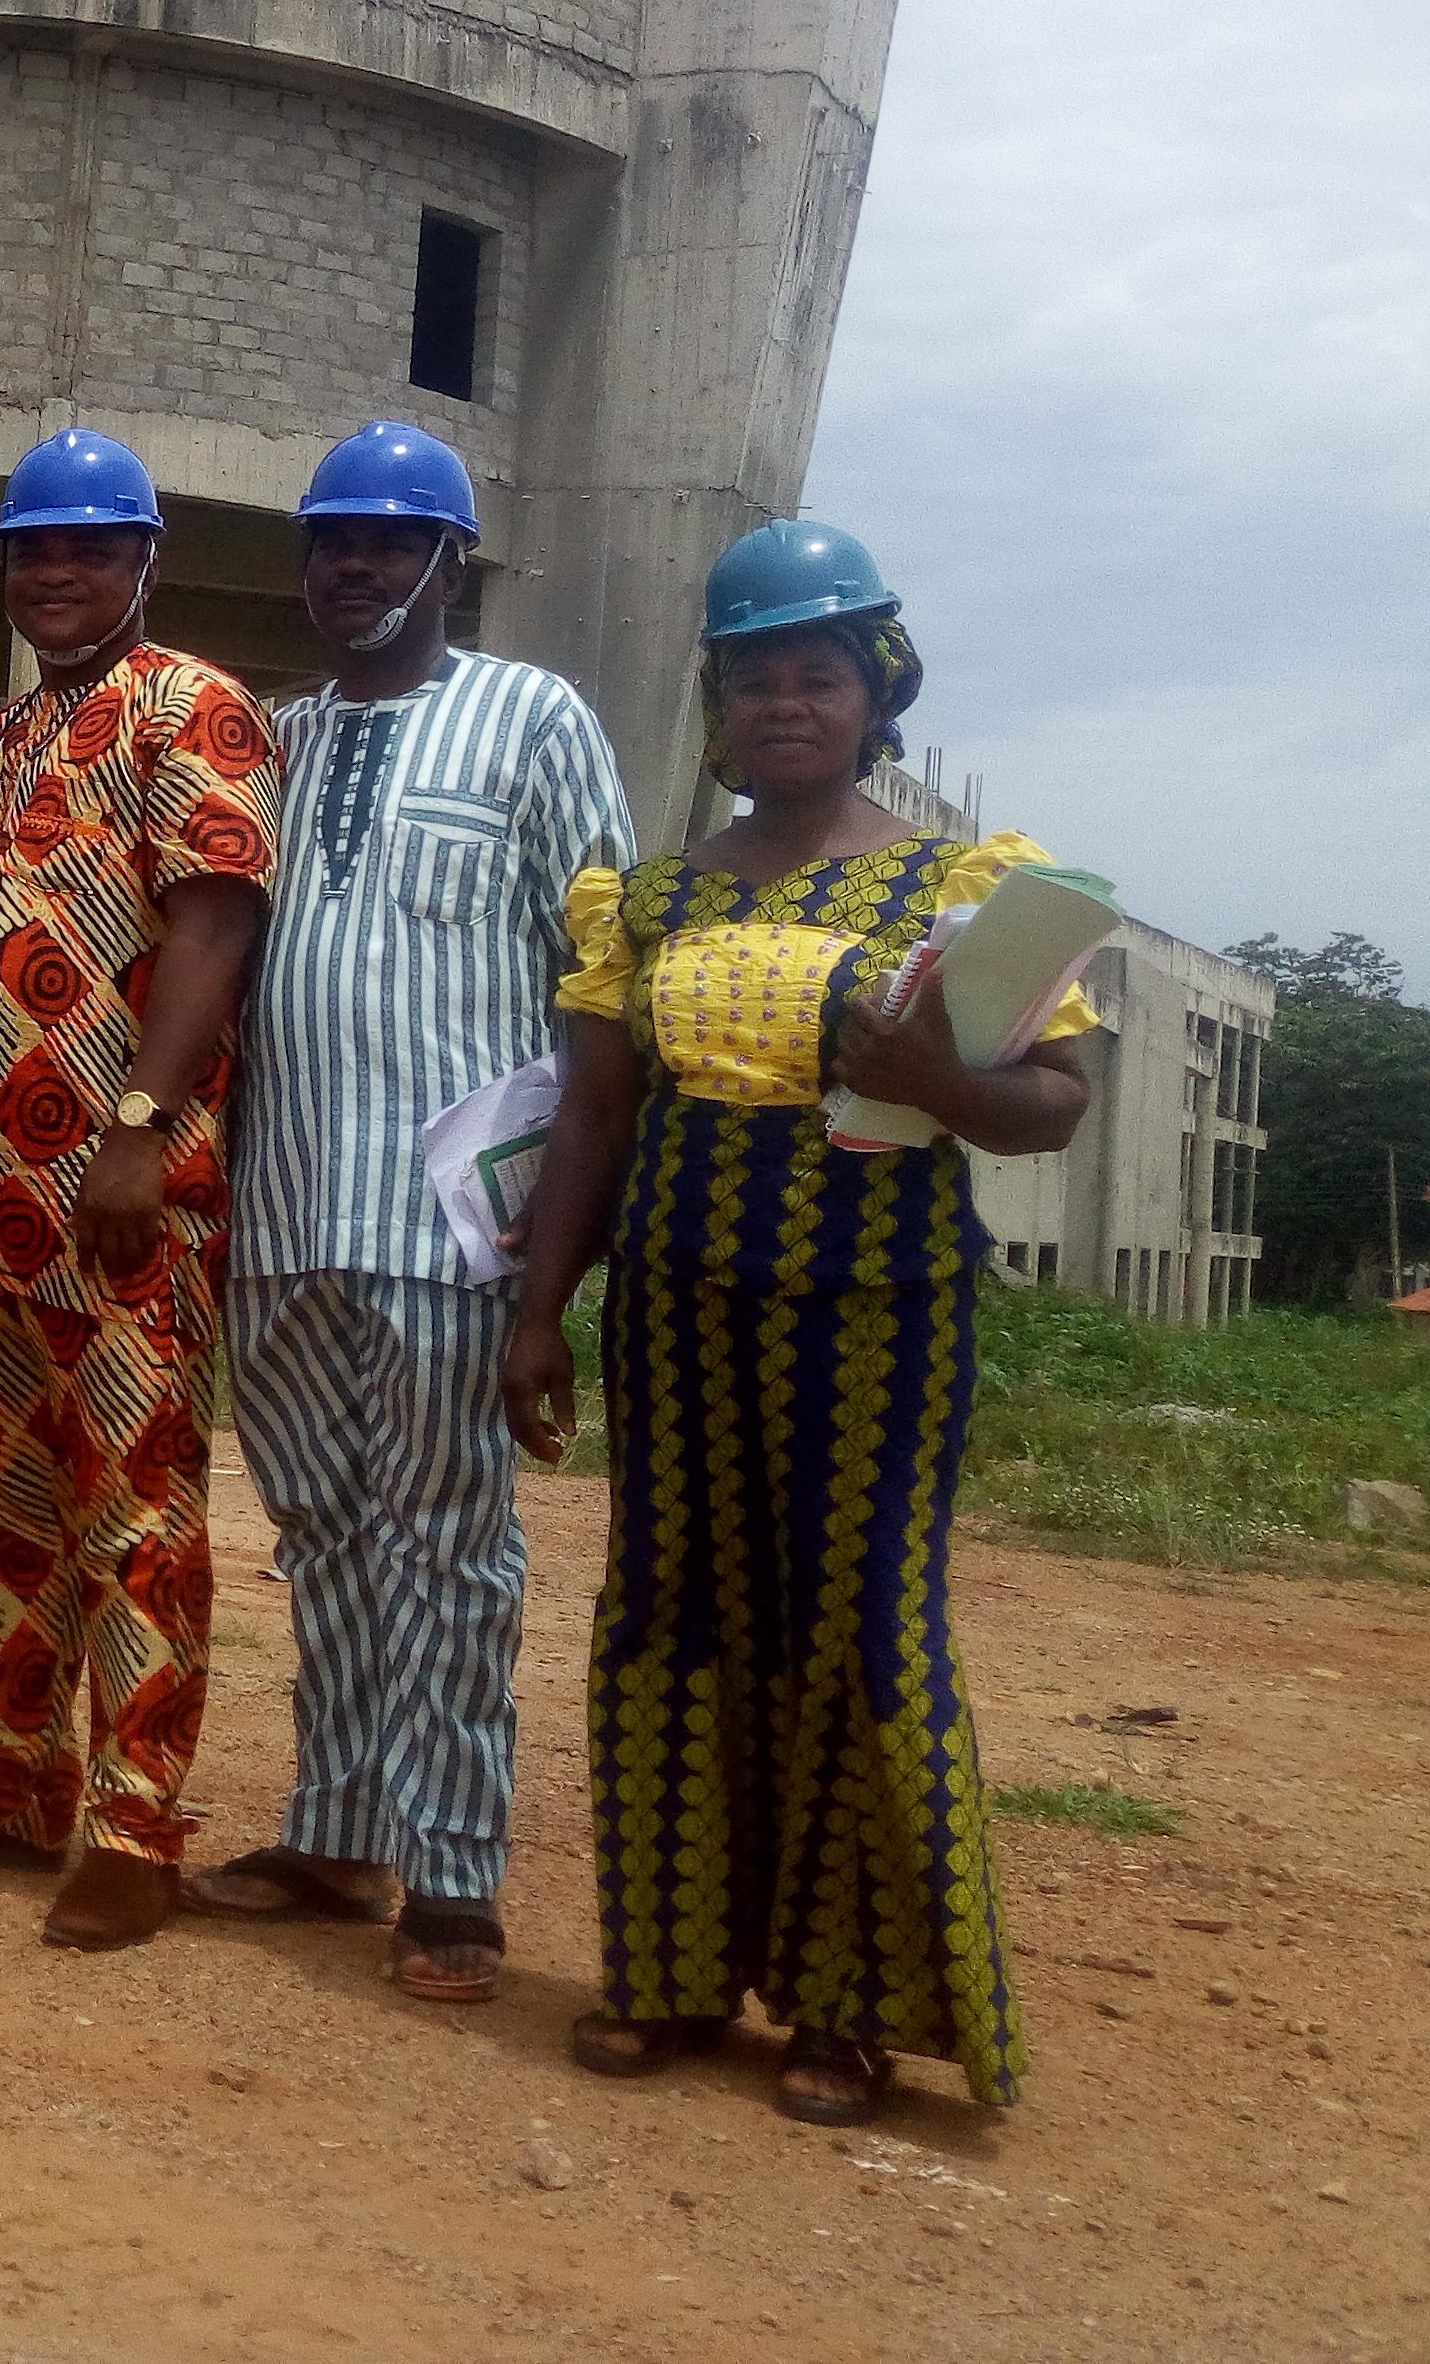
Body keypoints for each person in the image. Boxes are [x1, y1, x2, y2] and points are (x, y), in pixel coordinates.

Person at [505, 518, 1087, 2126]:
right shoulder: (655, 896)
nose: (784, 702)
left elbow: (1050, 1108)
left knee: (863, 1634)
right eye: (753, 677)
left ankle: (849, 2008)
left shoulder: (958, 891)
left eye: (816, 674)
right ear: (718, 701)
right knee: (670, 1614)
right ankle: (671, 1975)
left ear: (875, 689)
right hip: (680, 1310)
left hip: (881, 1316)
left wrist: (933, 1081)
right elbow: (595, 1121)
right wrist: (540, 1312)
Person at [186, 423, 633, 1995]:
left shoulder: (535, 718)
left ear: (456, 562)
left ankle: (454, 1872)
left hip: (453, 1226)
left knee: (448, 1543)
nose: (353, 566)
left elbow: (604, 996)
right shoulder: (274, 740)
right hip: (287, 1207)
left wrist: (549, 1283)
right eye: (332, 541)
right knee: (322, 1531)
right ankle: (337, 1828)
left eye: (388, 540)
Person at [0, 428, 275, 1950]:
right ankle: (11, 1784)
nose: (57, 570)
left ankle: (135, 1824)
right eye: (33, 549)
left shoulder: (193, 709)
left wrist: (143, 1125)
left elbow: (213, 928)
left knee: (135, 1513)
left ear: (145, 559)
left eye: (88, 546)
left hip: (119, 1186)